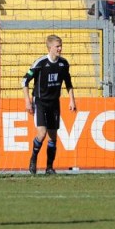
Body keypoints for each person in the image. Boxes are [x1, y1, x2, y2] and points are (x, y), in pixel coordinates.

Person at [22, 35, 76, 175]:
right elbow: (24, 81)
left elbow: (68, 83)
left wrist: (72, 100)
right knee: (42, 133)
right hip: (40, 102)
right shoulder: (40, 62)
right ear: (50, 48)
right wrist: (27, 101)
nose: (60, 48)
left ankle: (49, 167)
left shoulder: (64, 63)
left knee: (53, 136)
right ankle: (33, 159)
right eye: (57, 46)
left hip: (54, 103)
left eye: (61, 46)